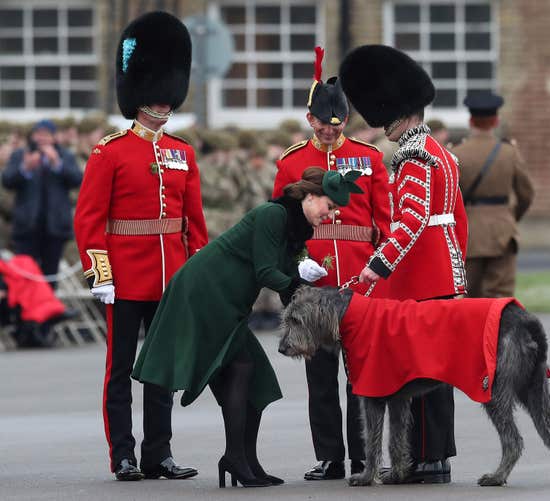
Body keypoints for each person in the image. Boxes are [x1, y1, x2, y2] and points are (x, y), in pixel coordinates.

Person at [132, 168, 363, 488]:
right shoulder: (274, 214)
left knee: (255, 377)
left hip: (228, 301)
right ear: (310, 197)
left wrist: (305, 298)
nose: (331, 214)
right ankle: (236, 459)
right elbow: (267, 271)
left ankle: (244, 460)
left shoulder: (295, 227)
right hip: (205, 291)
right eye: (329, 206)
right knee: (242, 368)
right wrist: (304, 290)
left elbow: (282, 280)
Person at [73, 11, 208, 482]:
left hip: (169, 275)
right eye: (156, 96)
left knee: (162, 370)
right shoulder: (109, 151)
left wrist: (196, 272)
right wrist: (100, 273)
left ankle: (159, 453)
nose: (164, 105)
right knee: (120, 373)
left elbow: (194, 223)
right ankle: (123, 455)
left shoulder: (182, 153)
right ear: (139, 96)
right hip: (125, 277)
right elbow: (89, 219)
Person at [340, 44, 469, 484]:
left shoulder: (413, 155)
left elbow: (411, 221)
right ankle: (430, 457)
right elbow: (456, 220)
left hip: (422, 275)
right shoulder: (441, 150)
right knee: (435, 370)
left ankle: (428, 459)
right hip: (441, 268)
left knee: (425, 371)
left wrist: (377, 267)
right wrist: (456, 269)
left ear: (398, 112)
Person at [272, 46, 391, 481]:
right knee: (319, 376)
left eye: (335, 124)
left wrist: (379, 271)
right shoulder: (291, 162)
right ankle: (330, 456)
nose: (328, 131)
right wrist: (297, 263)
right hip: (314, 281)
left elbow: (386, 221)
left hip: (360, 280)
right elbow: (281, 222)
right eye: (322, 123)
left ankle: (363, 455)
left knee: (362, 374)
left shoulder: (370, 158)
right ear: (310, 120)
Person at [452, 93, 534, 298]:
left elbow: (450, 197)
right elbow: (527, 193)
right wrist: (509, 217)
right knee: (501, 296)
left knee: (470, 298)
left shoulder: (457, 153)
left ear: (471, 120)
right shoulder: (509, 152)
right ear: (495, 121)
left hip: (469, 233)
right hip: (503, 232)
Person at [2, 119, 83, 289]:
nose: (41, 138)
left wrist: (57, 164)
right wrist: (26, 167)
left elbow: (77, 180)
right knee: (26, 274)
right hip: (26, 227)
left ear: (54, 137)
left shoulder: (65, 155)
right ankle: (25, 313)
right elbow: (7, 181)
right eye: (38, 134)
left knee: (50, 276)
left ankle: (48, 312)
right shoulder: (21, 154)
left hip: (55, 228)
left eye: (46, 134)